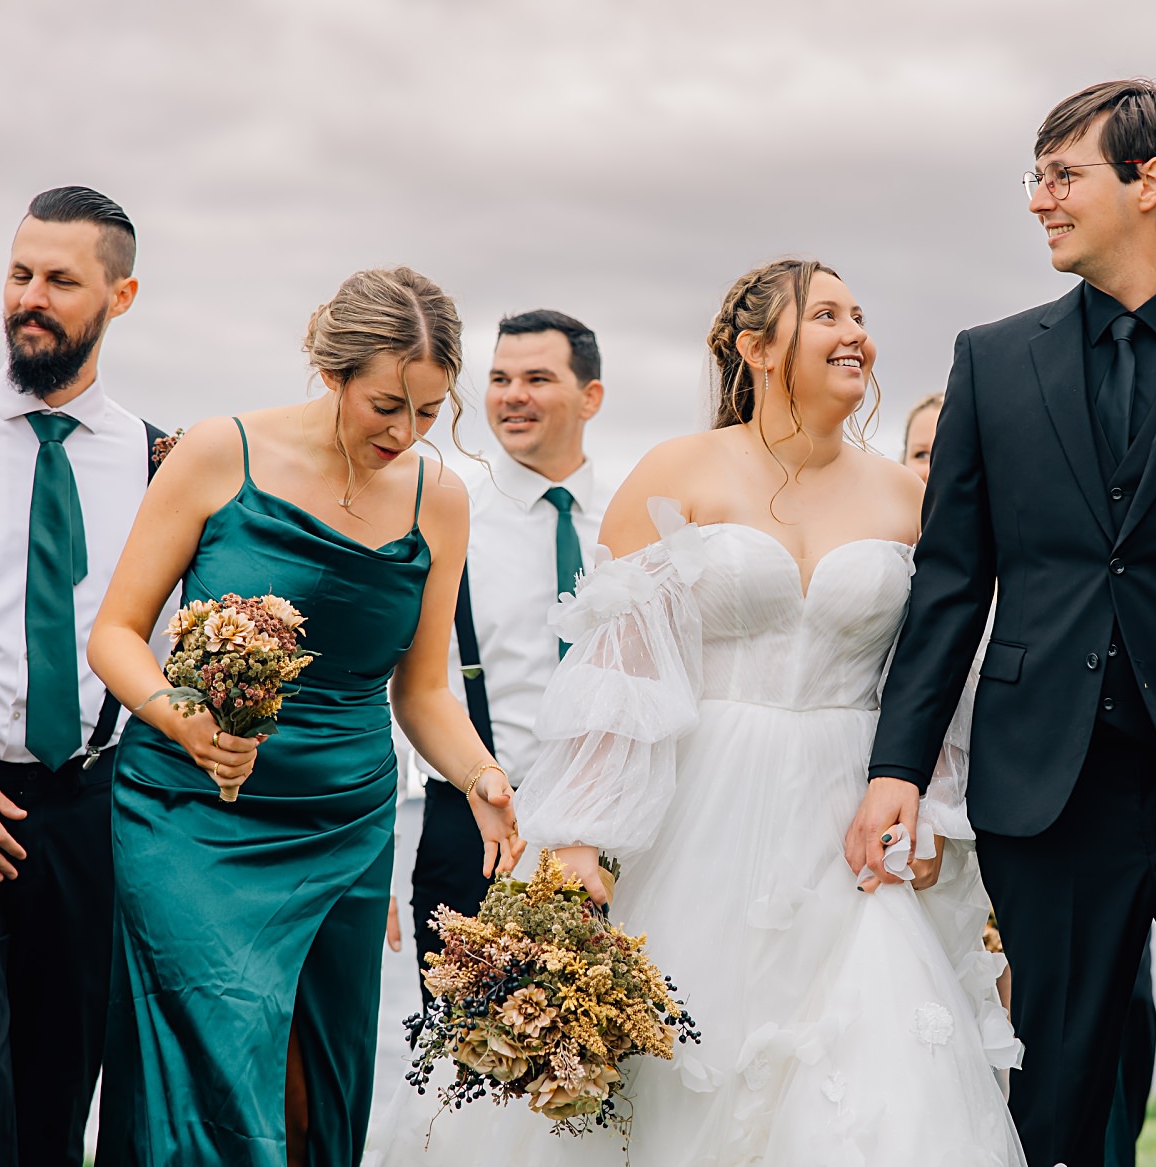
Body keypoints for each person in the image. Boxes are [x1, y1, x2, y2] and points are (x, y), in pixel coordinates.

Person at [375, 258, 1022, 1165]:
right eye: (826, 314)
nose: (856, 334)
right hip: (691, 805)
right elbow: (618, 679)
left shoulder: (910, 498)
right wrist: (577, 846)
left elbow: (938, 676)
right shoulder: (676, 472)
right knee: (664, 1075)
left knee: (863, 1074)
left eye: (860, 314)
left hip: (848, 821)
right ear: (757, 348)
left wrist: (933, 805)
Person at [853, 80, 1156, 1167]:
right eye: (1035, 177)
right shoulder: (991, 361)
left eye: (1060, 176)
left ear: (1148, 183)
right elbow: (952, 586)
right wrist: (895, 763)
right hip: (1050, 783)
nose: (1039, 200)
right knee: (1063, 1077)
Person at [87, 267, 521, 1166]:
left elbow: (425, 689)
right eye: (385, 405)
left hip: (346, 820)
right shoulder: (218, 452)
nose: (405, 434)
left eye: (430, 412)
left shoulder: (439, 497)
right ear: (332, 373)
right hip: (196, 812)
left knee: (312, 1081)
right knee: (217, 1059)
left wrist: (480, 775)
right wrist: (181, 717)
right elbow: (117, 634)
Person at [0, 186, 164, 1167]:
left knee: (55, 1098)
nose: (30, 298)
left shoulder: (166, 465)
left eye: (61, 281)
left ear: (119, 297)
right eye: (20, 273)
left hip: (89, 816)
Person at [905, 390, 1156, 1165]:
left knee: (1105, 1037)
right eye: (922, 455)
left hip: (1071, 835)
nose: (943, 468)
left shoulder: (1062, 568)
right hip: (934, 849)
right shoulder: (891, 575)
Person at [406, 308, 608, 1004]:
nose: (512, 394)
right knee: (464, 1066)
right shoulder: (446, 511)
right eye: (499, 378)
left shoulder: (627, 518)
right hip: (470, 826)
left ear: (591, 397)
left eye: (537, 378)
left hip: (607, 828)